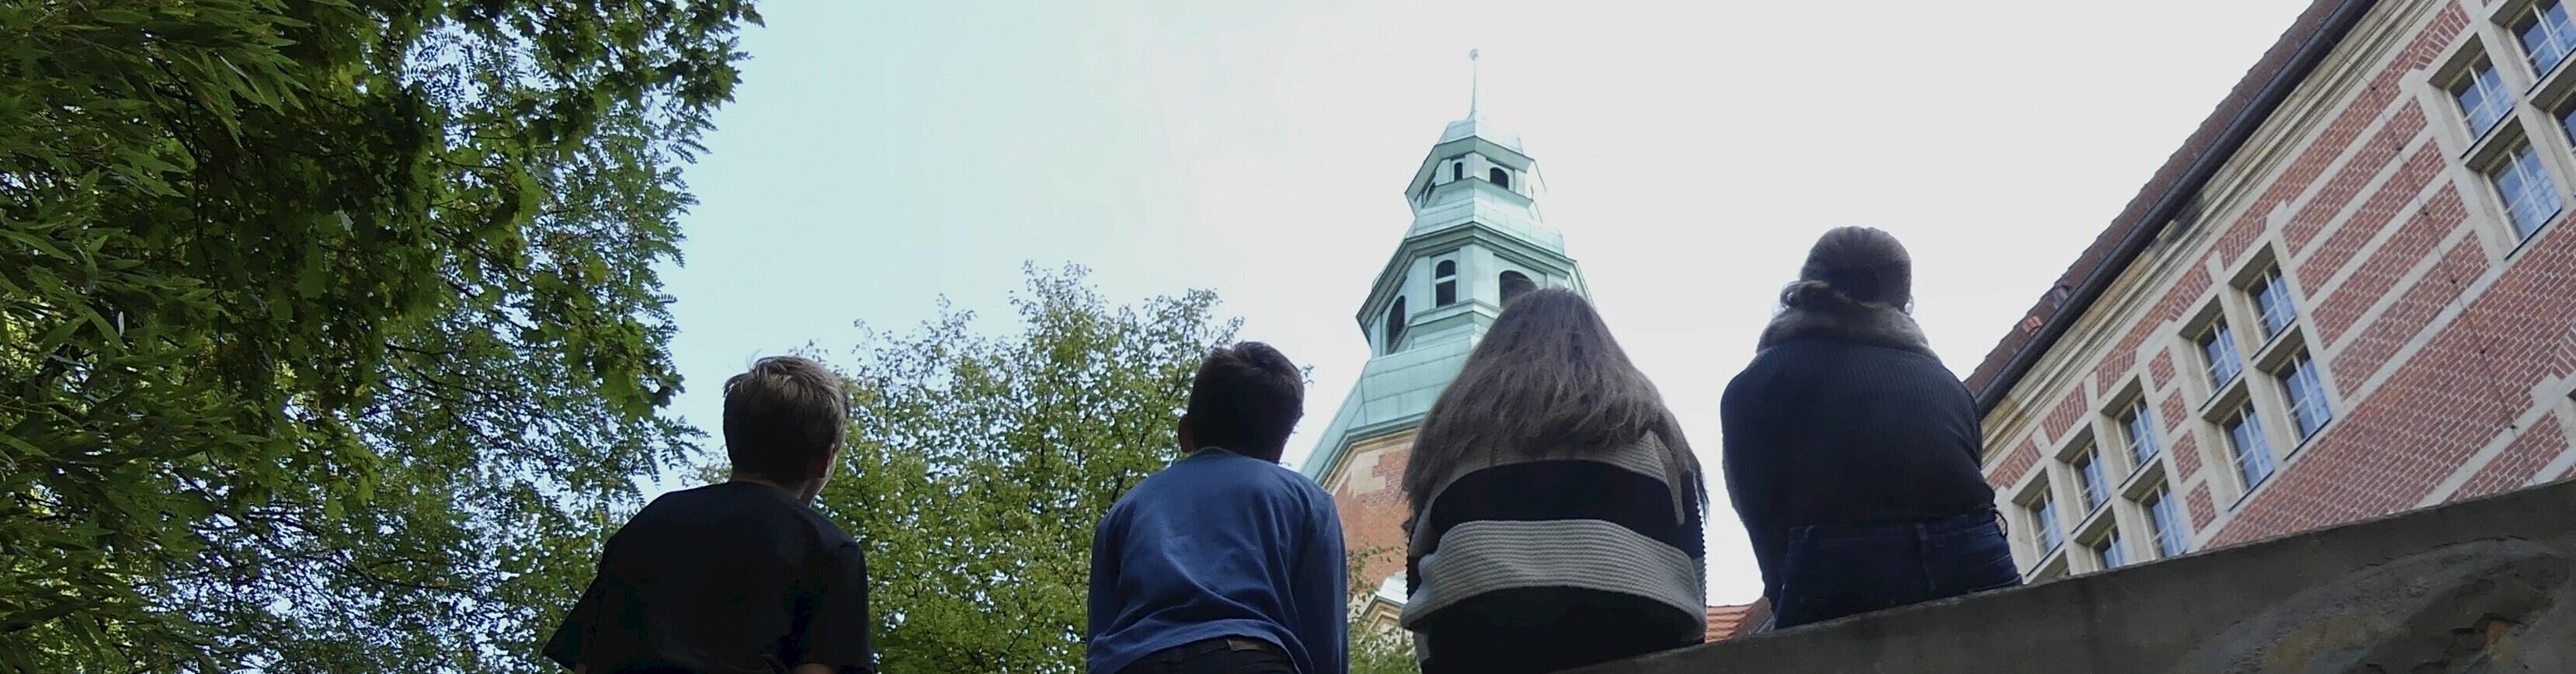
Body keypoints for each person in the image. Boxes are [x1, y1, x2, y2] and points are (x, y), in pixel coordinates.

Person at [1721, 226, 2018, 631]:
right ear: (1902, 303)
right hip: (1974, 559)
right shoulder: (1944, 382)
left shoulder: (1758, 382)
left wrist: (1785, 604)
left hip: (1840, 572)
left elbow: (1761, 518)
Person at [1399, 287, 1708, 674]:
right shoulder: (1652, 430)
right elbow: (1690, 557)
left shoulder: (1454, 435)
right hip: (1631, 632)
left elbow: (1418, 555)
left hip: (1478, 641)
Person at [542, 356, 877, 673]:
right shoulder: (830, 549)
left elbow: (590, 659)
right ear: (824, 459)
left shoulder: (654, 521)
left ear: (733, 440)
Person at [1086, 342, 1347, 674]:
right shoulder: (1308, 502)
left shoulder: (1125, 510)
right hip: (1249, 658)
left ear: (1185, 433)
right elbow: (1324, 635)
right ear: (1278, 447)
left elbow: (1102, 631)